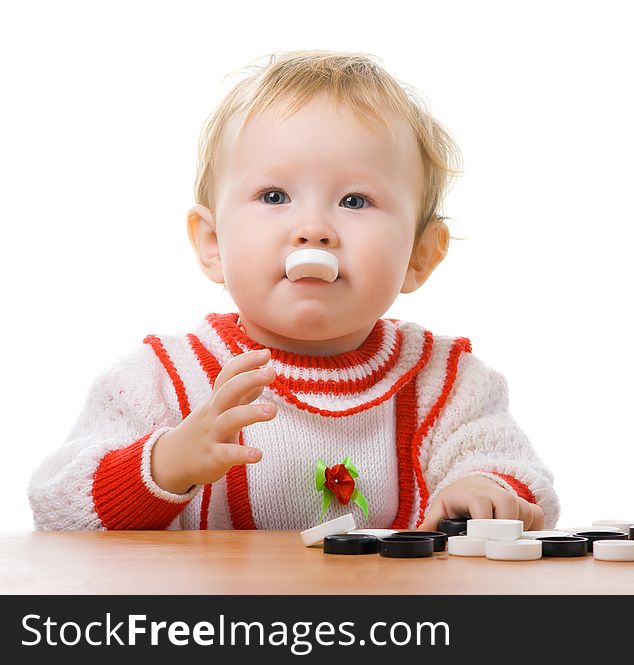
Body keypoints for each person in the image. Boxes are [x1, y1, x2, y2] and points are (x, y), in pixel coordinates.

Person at [28, 50, 560, 532]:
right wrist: (167, 462)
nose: (313, 229)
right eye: (275, 194)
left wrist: (488, 492)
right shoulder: (164, 380)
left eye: (355, 201)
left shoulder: (446, 384)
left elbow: (524, 484)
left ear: (419, 255)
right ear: (213, 243)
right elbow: (57, 505)